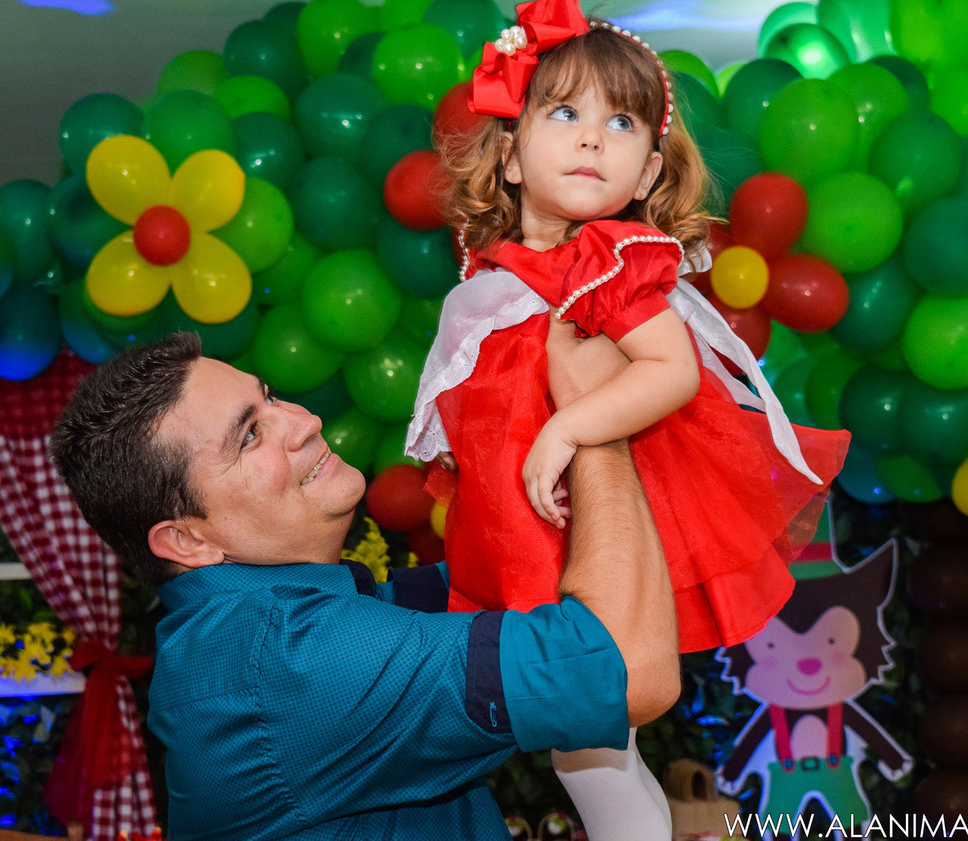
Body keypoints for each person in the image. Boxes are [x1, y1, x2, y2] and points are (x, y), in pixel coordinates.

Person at [404, 0, 851, 839]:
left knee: (589, 735)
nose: (589, 138)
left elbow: (671, 370)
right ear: (507, 153)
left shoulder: (612, 257)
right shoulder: (496, 274)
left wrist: (569, 428)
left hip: (583, 526)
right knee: (594, 747)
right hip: (528, 520)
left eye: (621, 126)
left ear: (647, 173)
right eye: (565, 112)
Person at [49, 328, 680, 841]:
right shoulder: (292, 659)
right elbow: (630, 667)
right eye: (249, 435)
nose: (303, 420)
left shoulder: (278, 612)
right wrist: (597, 423)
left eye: (270, 397)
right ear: (188, 541)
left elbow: (509, 585)